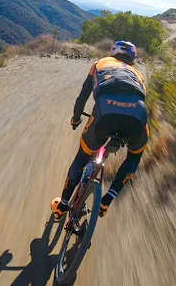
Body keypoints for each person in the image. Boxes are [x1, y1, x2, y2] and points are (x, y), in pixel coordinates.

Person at [51, 40, 149, 219]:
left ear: (114, 51)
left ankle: (62, 206)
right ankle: (106, 201)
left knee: (82, 158)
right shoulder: (138, 75)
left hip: (105, 111)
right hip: (138, 114)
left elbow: (82, 98)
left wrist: (76, 118)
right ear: (133, 58)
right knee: (135, 156)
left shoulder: (99, 64)